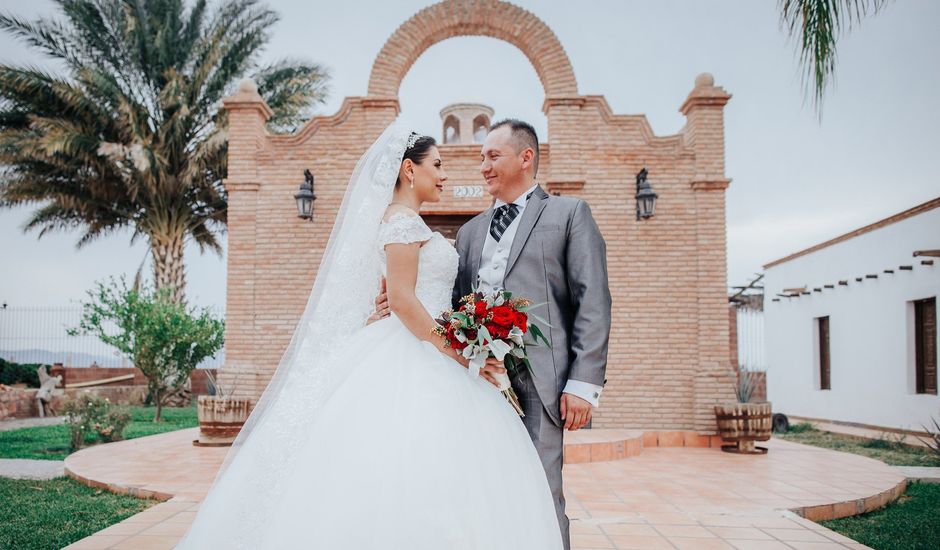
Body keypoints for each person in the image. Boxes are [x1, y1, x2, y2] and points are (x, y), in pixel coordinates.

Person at [175, 122, 564, 549]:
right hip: (418, 350)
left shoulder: (408, 222)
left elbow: (402, 295)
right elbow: (402, 301)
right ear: (409, 171)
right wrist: (460, 353)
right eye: (437, 164)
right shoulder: (402, 223)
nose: (445, 175)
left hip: (423, 342)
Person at [372, 119, 612, 550]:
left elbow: (592, 301)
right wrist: (396, 304)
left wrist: (585, 382)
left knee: (539, 492)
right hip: (473, 379)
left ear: (526, 158)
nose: (481, 166)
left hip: (542, 381)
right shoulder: (469, 232)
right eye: (481, 157)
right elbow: (452, 301)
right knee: (481, 494)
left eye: (491, 156)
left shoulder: (569, 214)